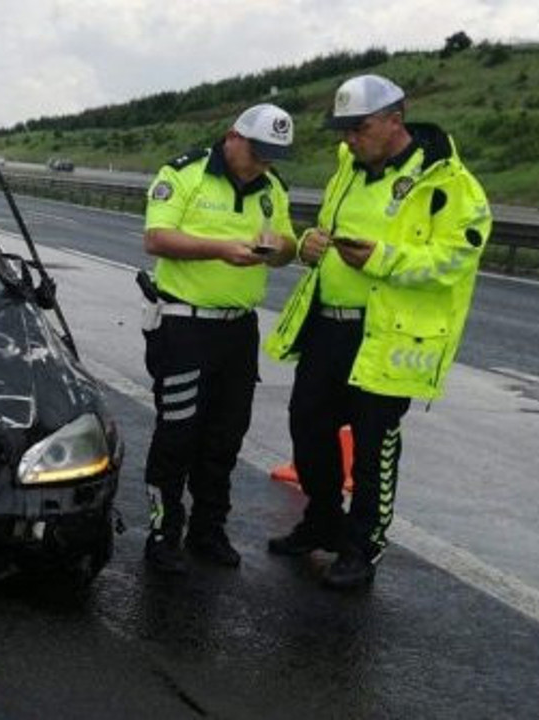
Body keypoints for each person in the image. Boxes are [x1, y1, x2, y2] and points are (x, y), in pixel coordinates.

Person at [264, 75, 491, 589]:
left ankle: (362, 546)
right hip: (329, 326)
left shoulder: (447, 183)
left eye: (359, 128)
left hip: (388, 334)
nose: (348, 140)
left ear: (395, 119)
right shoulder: (348, 168)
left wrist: (385, 259)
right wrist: (316, 241)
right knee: (308, 424)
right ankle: (322, 519)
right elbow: (328, 221)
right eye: (342, 130)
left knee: (374, 446)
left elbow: (456, 257)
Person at [140, 104, 298, 574]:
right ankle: (164, 531)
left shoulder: (272, 189)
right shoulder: (184, 173)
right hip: (185, 324)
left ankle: (208, 530)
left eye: (273, 156)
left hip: (238, 329)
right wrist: (221, 250)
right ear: (233, 136)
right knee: (178, 433)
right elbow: (156, 238)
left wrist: (277, 249)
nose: (264, 163)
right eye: (258, 152)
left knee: (226, 436)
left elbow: (287, 247)